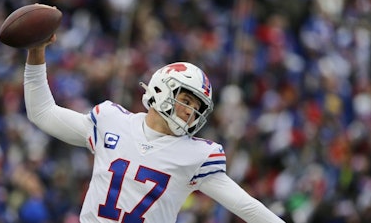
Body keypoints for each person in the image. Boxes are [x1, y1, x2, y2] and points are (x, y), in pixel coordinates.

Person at [23, 34, 285, 223]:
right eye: (186, 100)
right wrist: (36, 52)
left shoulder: (196, 155)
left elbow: (246, 206)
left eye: (196, 107)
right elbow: (42, 113)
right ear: (161, 87)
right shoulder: (111, 121)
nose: (189, 111)